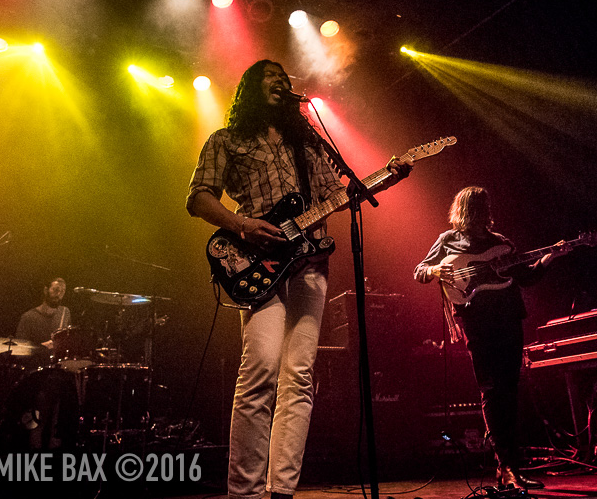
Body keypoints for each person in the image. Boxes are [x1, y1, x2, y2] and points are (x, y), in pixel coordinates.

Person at [186, 59, 411, 499]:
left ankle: (282, 490)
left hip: (310, 264)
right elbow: (198, 198)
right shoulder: (227, 140)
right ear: (250, 89)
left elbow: (339, 196)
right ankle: (244, 492)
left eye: (284, 78)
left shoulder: (308, 142)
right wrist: (244, 225)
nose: (279, 83)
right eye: (269, 77)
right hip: (258, 263)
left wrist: (385, 176)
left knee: (300, 376)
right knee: (260, 370)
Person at [414, 187, 567, 490]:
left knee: (510, 389)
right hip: (476, 320)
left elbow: (527, 277)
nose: (478, 213)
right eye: (474, 207)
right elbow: (419, 271)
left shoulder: (502, 244)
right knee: (492, 389)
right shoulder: (448, 240)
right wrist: (435, 269)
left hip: (509, 316)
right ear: (463, 210)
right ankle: (506, 466)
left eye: (482, 207)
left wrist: (551, 256)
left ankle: (510, 467)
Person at [15, 277, 71, 353]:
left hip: (56, 362)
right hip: (36, 362)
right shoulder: (28, 317)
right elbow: (19, 349)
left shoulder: (65, 312)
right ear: (46, 290)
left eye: (62, 291)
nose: (58, 294)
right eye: (55, 290)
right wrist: (41, 347)